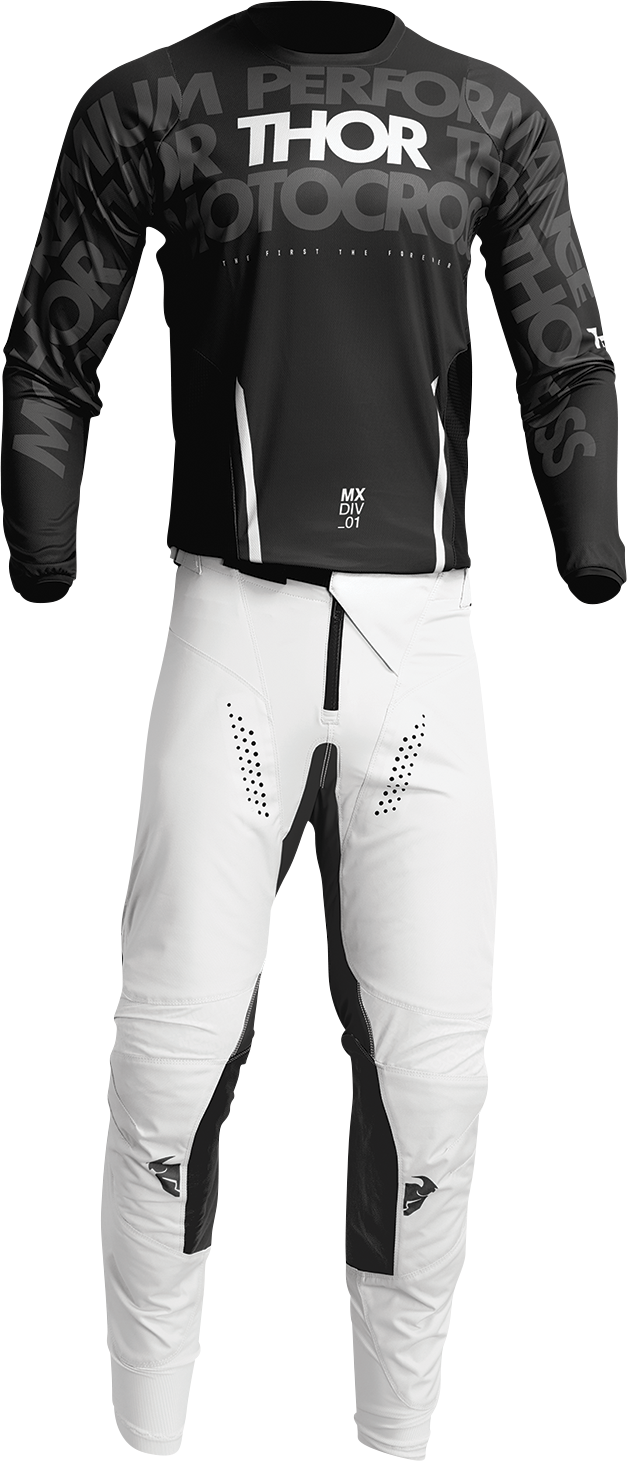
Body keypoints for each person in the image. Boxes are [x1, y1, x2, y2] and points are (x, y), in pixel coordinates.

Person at [1, 5, 624, 1457]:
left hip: (421, 647)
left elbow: (563, 350)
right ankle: (146, 1428)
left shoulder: (493, 113)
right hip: (233, 629)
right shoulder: (148, 103)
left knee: (434, 1076)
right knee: (170, 1061)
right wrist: (42, 531)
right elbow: (51, 344)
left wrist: (589, 531)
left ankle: (396, 1433)